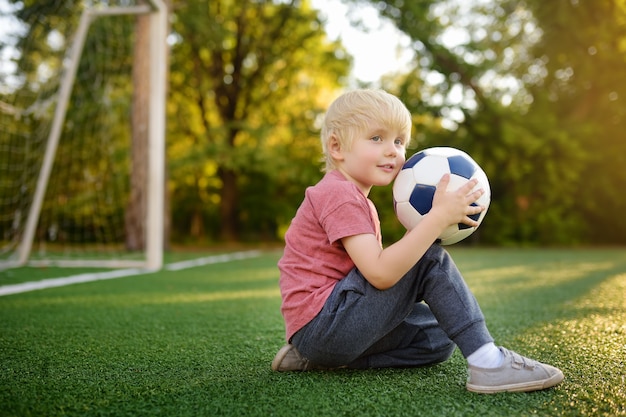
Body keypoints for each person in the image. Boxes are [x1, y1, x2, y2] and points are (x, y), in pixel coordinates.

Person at [271, 89, 564, 394]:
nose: (392, 151)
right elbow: (381, 274)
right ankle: (488, 364)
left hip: (324, 332)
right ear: (337, 147)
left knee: (440, 335)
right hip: (326, 323)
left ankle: (319, 360)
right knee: (429, 257)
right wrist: (435, 219)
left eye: (399, 141)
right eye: (376, 138)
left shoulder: (352, 197)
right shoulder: (339, 194)